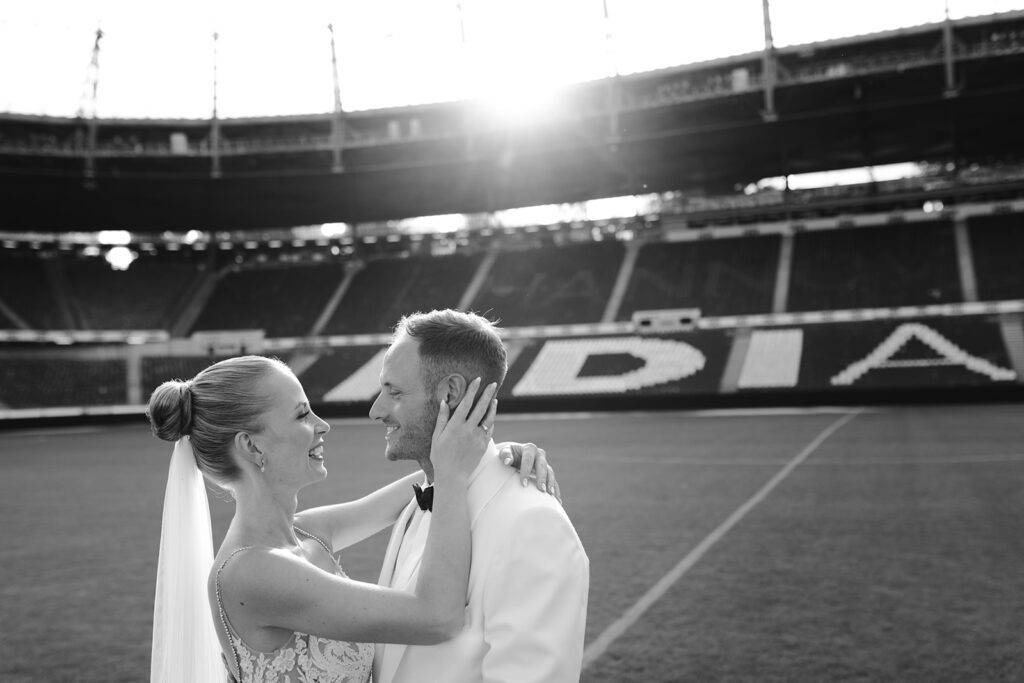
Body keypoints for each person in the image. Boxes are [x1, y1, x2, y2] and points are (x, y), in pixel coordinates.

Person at [147, 354, 558, 683]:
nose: (322, 425)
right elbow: (437, 617)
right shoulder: (251, 572)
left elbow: (423, 483)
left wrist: (497, 455)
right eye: (302, 415)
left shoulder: (307, 532)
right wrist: (453, 472)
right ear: (253, 447)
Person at [370, 309, 590, 683]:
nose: (376, 410)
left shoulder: (532, 524)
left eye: (394, 392)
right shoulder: (420, 498)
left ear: (450, 393)